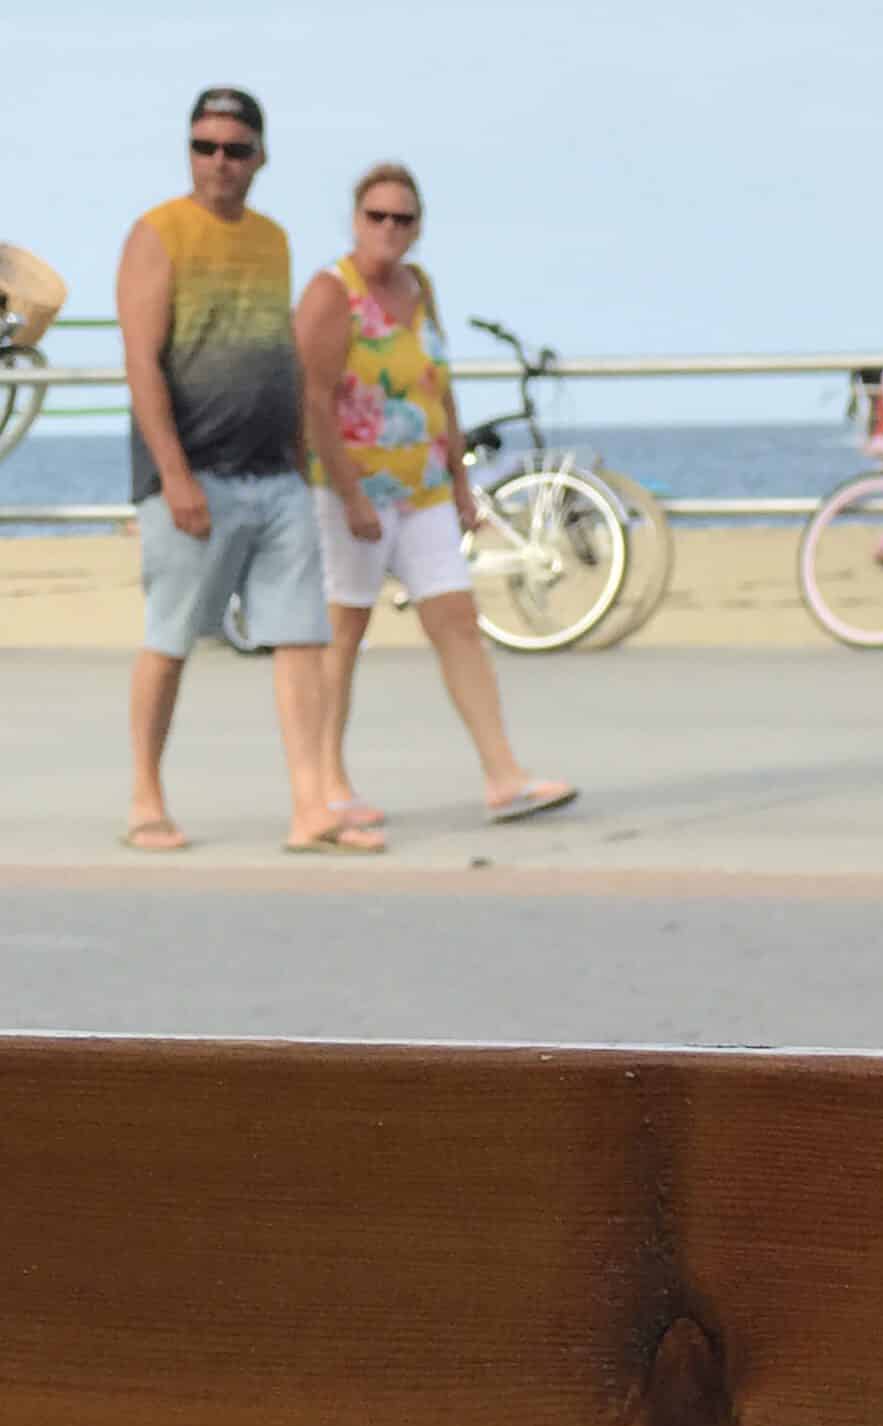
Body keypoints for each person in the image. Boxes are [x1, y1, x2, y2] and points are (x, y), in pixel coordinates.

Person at [116, 87, 374, 853]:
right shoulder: (156, 235)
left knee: (302, 639)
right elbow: (140, 362)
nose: (219, 162)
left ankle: (311, 808)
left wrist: (301, 460)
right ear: (189, 151)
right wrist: (174, 474)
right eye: (204, 146)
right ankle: (145, 798)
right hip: (193, 480)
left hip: (277, 477)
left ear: (259, 155)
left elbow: (283, 356)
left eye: (234, 148)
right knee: (170, 640)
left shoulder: (274, 240)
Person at [295, 161, 575, 831]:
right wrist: (351, 494)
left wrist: (458, 483)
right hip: (351, 491)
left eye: (403, 218)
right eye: (377, 217)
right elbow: (310, 397)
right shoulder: (332, 293)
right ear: (355, 220)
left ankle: (504, 773)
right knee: (344, 630)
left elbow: (437, 387)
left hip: (422, 489)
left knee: (456, 621)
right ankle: (328, 780)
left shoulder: (421, 288)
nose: (390, 229)